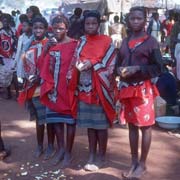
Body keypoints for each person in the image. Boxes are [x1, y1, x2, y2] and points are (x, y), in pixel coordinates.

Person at [115, 6, 163, 179]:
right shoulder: (125, 41)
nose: (135, 21)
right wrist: (119, 70)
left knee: (145, 126)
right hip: (127, 90)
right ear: (128, 20)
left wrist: (138, 68)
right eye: (132, 18)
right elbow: (117, 64)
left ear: (145, 20)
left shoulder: (151, 42)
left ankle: (142, 165)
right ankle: (133, 162)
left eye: (139, 18)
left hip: (143, 90)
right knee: (132, 126)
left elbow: (159, 68)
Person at [67, 10, 117, 171]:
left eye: (93, 23)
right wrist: (79, 65)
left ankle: (101, 156)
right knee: (90, 125)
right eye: (87, 23)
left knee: (100, 125)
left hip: (100, 89)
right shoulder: (81, 41)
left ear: (98, 24)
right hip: (83, 88)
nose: (90, 26)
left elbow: (111, 65)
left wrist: (93, 63)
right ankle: (92, 155)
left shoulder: (107, 41)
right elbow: (75, 60)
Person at [40, 16, 77, 167]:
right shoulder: (49, 44)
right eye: (55, 28)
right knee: (56, 120)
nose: (57, 31)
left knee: (70, 122)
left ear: (67, 29)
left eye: (61, 28)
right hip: (53, 89)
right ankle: (61, 149)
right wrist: (46, 48)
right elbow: (41, 64)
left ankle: (68, 152)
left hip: (68, 89)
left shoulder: (75, 44)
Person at [18, 16, 55, 159]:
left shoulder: (51, 44)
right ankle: (40, 145)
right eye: (35, 27)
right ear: (32, 29)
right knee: (40, 120)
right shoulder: (29, 45)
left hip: (49, 88)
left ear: (46, 29)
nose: (38, 30)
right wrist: (29, 77)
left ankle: (51, 145)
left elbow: (53, 65)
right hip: (34, 88)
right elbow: (26, 64)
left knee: (50, 119)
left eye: (41, 27)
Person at [0, 13, 18, 99]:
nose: (5, 22)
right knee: (6, 75)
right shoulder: (0, 32)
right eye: (3, 21)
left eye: (7, 21)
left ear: (10, 21)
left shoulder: (13, 31)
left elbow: (17, 41)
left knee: (14, 74)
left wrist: (15, 44)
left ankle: (18, 93)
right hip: (3, 56)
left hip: (13, 55)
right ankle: (9, 93)